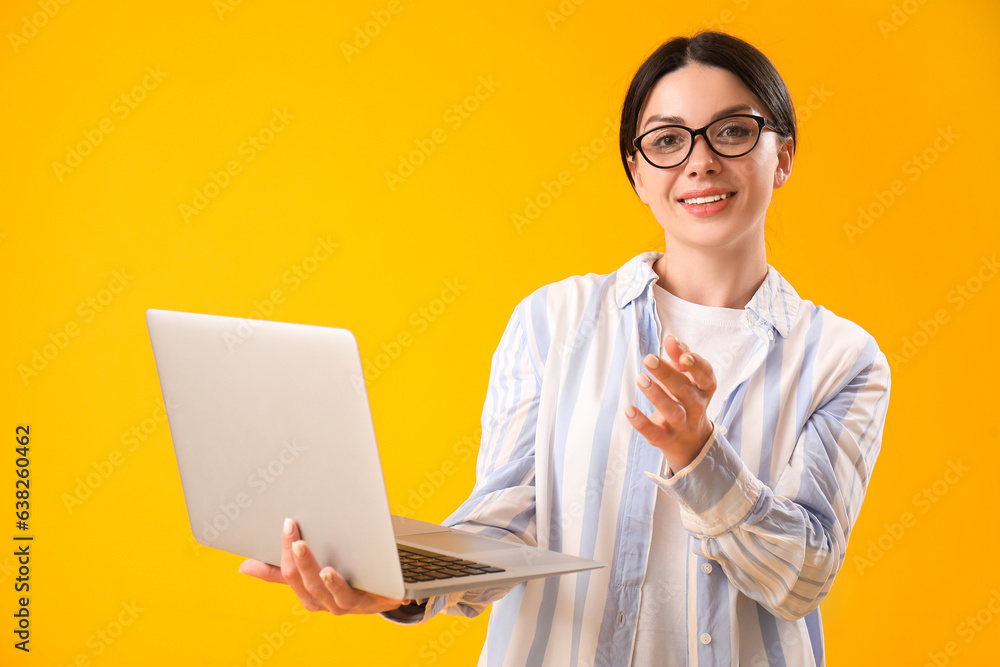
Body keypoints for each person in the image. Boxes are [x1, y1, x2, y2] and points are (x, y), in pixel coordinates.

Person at [239, 31, 891, 666]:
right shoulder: (555, 320)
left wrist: (698, 456)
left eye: (732, 130)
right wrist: (404, 579)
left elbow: (801, 577)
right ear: (637, 173)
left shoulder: (842, 359)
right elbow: (508, 519)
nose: (699, 160)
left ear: (782, 155)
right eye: (666, 140)